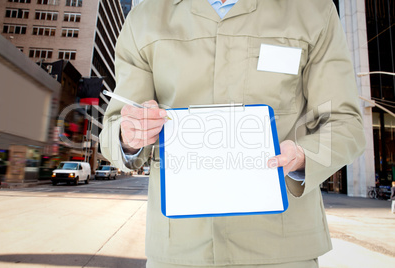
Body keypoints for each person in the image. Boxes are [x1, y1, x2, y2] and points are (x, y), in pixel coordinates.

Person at [99, 0, 366, 267]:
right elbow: (116, 123)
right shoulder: (145, 18)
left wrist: (303, 155)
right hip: (179, 250)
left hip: (282, 250)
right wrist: (129, 138)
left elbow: (344, 122)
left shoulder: (314, 11)